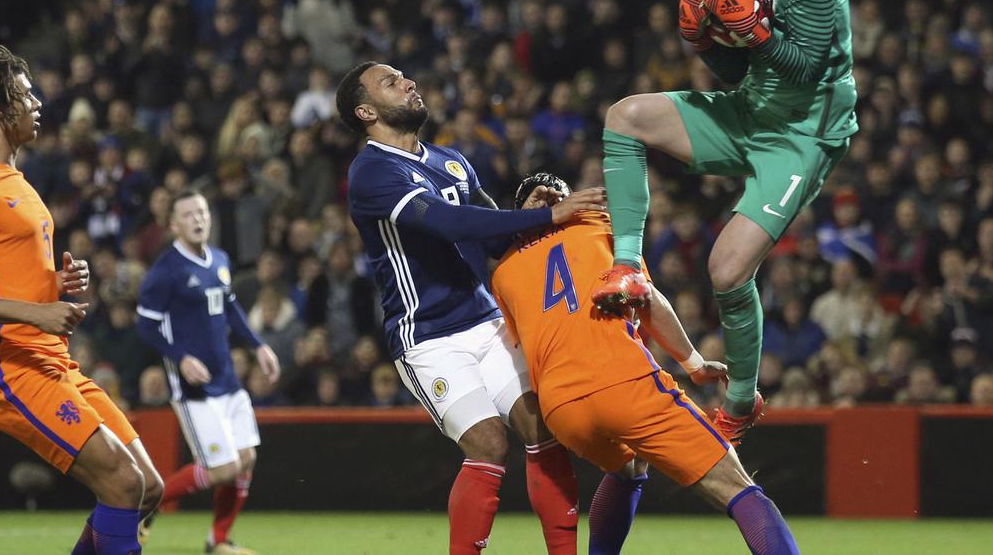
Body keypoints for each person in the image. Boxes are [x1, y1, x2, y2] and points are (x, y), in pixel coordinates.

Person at [594, 0, 856, 442]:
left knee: (726, 269)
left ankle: (740, 400)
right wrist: (705, 43)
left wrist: (754, 35)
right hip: (750, 109)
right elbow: (737, 74)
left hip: (803, 133)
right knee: (625, 117)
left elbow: (806, 69)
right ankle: (628, 268)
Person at [337, 61, 606, 554]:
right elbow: (447, 222)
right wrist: (550, 215)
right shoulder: (371, 173)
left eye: (404, 75)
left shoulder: (452, 161)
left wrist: (528, 214)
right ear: (366, 112)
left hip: (487, 322)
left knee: (542, 428)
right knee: (488, 443)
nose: (409, 82)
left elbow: (493, 233)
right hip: (427, 337)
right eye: (390, 82)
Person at [0, 44, 163, 555]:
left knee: (146, 487)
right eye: (26, 95)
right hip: (8, 366)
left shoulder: (19, 183)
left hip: (52, 360)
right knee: (123, 482)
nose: (38, 104)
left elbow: (6, 276)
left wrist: (55, 283)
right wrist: (37, 312)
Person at [493, 173, 800, 555]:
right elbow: (645, 296)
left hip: (561, 406)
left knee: (628, 468)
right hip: (621, 379)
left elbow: (523, 345)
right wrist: (694, 363)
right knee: (736, 485)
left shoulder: (502, 272)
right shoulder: (600, 226)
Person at [135, 190, 280, 555]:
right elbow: (146, 325)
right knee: (222, 469)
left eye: (201, 211)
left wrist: (258, 346)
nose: (197, 219)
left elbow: (230, 308)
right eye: (188, 214)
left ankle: (218, 541)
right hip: (194, 388)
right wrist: (181, 358)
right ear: (173, 225)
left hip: (228, 379)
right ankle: (148, 503)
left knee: (246, 459)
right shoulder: (165, 271)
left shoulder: (219, 259)